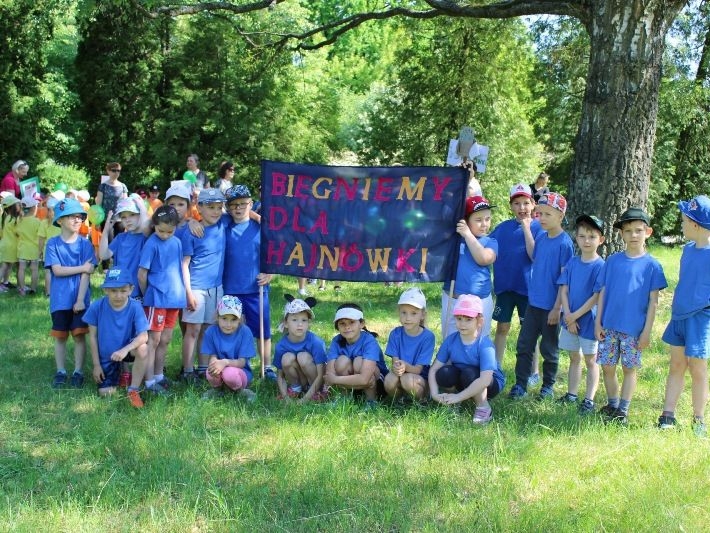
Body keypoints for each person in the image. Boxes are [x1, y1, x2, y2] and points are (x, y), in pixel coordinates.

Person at [594, 207, 667, 424]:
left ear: (648, 232)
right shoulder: (613, 261)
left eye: (638, 230)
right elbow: (602, 292)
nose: (633, 235)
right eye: (628, 231)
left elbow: (653, 302)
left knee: (629, 368)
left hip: (633, 329)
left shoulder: (652, 265)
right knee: (607, 366)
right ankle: (613, 404)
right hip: (609, 325)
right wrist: (598, 322)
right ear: (622, 234)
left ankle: (623, 410)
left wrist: (646, 332)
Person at [508, 192, 574, 400]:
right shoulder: (542, 237)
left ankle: (548, 386)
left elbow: (565, 280)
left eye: (547, 214)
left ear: (560, 216)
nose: (542, 218)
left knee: (549, 349)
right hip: (533, 304)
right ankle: (521, 384)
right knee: (524, 345)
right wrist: (527, 229)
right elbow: (534, 255)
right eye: (540, 214)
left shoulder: (565, 243)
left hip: (551, 308)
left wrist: (557, 308)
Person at [657, 196, 710, 437]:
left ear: (696, 224)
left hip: (699, 320)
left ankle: (698, 420)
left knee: (698, 369)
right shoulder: (687, 250)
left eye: (684, 221)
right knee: (676, 365)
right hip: (678, 316)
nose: (682, 225)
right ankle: (668, 415)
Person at [489, 184, 543, 383]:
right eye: (517, 203)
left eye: (526, 203)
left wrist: (527, 228)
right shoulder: (503, 229)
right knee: (502, 328)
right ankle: (496, 366)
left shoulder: (539, 228)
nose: (522, 208)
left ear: (533, 204)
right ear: (511, 206)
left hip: (527, 290)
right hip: (505, 288)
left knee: (528, 331)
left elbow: (533, 255)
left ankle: (533, 371)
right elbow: (486, 246)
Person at [222, 185, 275, 380]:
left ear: (251, 204)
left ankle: (267, 366)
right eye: (234, 205)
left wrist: (270, 273)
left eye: (243, 204)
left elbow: (274, 253)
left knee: (263, 329)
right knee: (234, 329)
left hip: (256, 288)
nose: (238, 208)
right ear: (228, 207)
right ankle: (241, 365)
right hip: (231, 289)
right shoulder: (224, 226)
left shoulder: (262, 227)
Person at [44, 198, 97, 388]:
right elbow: (56, 271)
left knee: (79, 336)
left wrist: (81, 299)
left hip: (80, 300)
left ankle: (78, 372)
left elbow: (87, 274)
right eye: (72, 217)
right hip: (59, 300)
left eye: (80, 217)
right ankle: (60, 371)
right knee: (60, 336)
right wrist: (82, 267)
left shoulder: (85, 245)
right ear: (60, 220)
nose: (77, 220)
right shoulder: (52, 244)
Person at [428, 294, 505, 424]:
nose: (462, 324)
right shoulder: (451, 340)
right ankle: (450, 402)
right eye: (459, 318)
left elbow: (485, 380)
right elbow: (434, 369)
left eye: (468, 319)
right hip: (463, 378)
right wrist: (435, 394)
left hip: (489, 383)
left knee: (470, 373)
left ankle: (483, 407)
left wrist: (459, 396)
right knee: (444, 372)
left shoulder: (485, 344)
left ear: (479, 321)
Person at [556, 215, 605, 414]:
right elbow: (564, 290)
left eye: (592, 237)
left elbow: (596, 297)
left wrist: (575, 316)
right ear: (576, 238)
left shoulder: (601, 266)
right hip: (569, 319)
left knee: (591, 360)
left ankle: (589, 400)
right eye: (582, 236)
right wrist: (567, 315)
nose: (587, 241)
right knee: (574, 357)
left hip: (589, 321)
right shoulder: (572, 263)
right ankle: (572, 394)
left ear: (600, 240)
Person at [137, 205, 188, 394]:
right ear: (154, 226)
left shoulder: (177, 243)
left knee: (165, 339)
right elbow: (142, 273)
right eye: (161, 230)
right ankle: (149, 381)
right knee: (153, 340)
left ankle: (159, 376)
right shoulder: (151, 243)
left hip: (174, 298)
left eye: (170, 231)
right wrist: (146, 295)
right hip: (156, 299)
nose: (165, 235)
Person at [83, 268, 150, 408]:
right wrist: (96, 365)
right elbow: (93, 337)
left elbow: (144, 336)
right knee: (106, 393)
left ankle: (133, 389)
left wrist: (125, 350)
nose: (118, 295)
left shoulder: (136, 307)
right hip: (107, 356)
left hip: (127, 351)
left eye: (123, 290)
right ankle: (120, 373)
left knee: (143, 348)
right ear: (106, 290)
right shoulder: (96, 307)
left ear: (131, 290)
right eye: (113, 291)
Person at [180, 188, 228, 382]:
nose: (215, 212)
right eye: (210, 207)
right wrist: (188, 293)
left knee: (207, 330)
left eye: (219, 207)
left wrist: (258, 217)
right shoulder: (192, 232)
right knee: (192, 331)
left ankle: (202, 367)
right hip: (196, 288)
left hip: (216, 288)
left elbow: (243, 210)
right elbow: (184, 265)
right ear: (199, 207)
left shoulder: (223, 223)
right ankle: (187, 370)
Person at [442, 195, 498, 340]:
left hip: (480, 302)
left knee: (479, 342)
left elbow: (484, 258)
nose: (484, 224)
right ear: (466, 221)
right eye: (478, 220)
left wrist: (468, 235)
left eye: (487, 219)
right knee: (450, 341)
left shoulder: (490, 241)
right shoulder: (454, 239)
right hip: (453, 299)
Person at [324, 303, 389, 407]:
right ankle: (344, 399)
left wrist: (335, 380)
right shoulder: (336, 341)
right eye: (342, 323)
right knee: (341, 361)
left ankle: (371, 402)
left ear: (361, 323)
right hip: (353, 383)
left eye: (352, 322)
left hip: (376, 384)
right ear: (337, 326)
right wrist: (331, 379)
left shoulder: (369, 341)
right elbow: (329, 373)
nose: (347, 327)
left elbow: (365, 379)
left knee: (359, 361)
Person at [274, 295, 329, 402]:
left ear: (309, 323)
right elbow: (280, 376)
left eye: (304, 320)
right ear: (285, 323)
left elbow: (321, 374)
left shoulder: (316, 342)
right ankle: (296, 389)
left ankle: (316, 393)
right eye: (294, 320)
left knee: (303, 356)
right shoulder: (281, 345)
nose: (300, 324)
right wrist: (285, 397)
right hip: (300, 379)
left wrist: (304, 400)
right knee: (286, 358)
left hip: (316, 381)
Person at [384, 287, 435, 401]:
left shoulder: (428, 337)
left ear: (422, 315)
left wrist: (405, 366)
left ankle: (421, 399)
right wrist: (397, 367)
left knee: (407, 380)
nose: (408, 318)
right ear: (399, 313)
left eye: (413, 313)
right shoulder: (395, 334)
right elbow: (395, 364)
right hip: (401, 374)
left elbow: (418, 369)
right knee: (389, 380)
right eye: (404, 313)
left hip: (419, 377)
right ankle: (400, 400)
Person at [201, 295, 256, 401]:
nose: (228, 324)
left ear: (239, 319)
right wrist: (214, 365)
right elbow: (213, 356)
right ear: (217, 317)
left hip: (240, 371)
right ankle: (218, 390)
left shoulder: (245, 332)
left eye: (233, 319)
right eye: (224, 318)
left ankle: (242, 391)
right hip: (221, 368)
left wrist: (225, 362)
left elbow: (242, 362)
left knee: (229, 374)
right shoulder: (211, 331)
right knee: (210, 372)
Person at [16, 196, 42, 295]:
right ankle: (33, 289)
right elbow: (40, 236)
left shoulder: (19, 220)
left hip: (22, 248)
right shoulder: (37, 221)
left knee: (21, 269)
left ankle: (22, 289)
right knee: (34, 269)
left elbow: (17, 232)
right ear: (34, 208)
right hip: (34, 249)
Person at [38, 196, 63, 296]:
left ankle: (48, 292)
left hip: (47, 249)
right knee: (60, 272)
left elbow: (41, 239)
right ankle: (58, 291)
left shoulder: (44, 222)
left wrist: (39, 251)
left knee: (48, 272)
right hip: (60, 249)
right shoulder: (61, 222)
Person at [0, 194, 21, 292]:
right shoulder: (14, 219)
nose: (19, 206)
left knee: (8, 265)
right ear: (12, 207)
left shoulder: (5, 217)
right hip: (11, 245)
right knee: (5, 265)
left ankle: (5, 282)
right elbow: (18, 233)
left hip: (5, 244)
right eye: (17, 204)